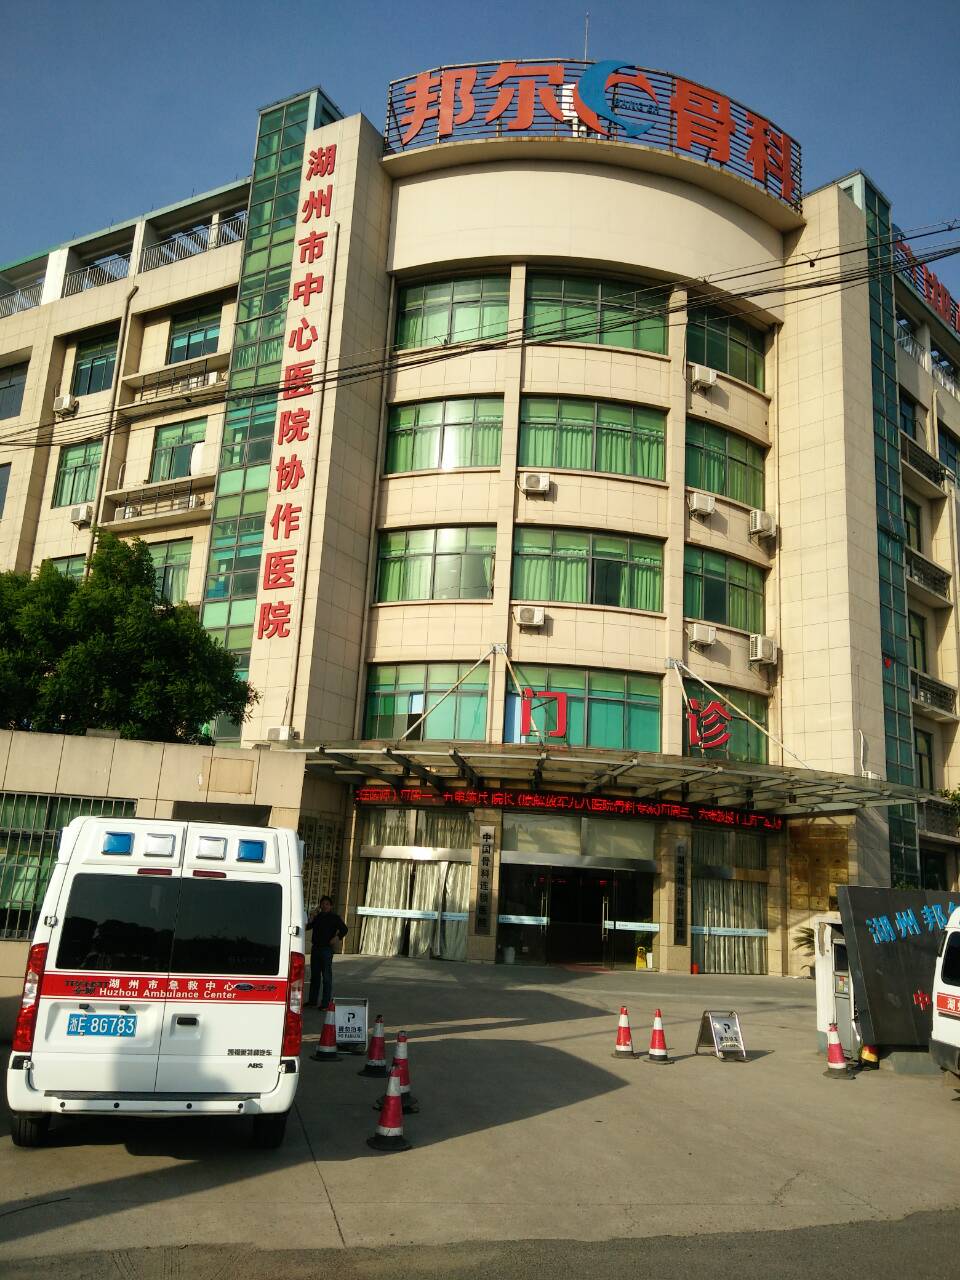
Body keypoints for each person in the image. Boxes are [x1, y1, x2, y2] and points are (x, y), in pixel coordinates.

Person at [307, 896, 348, 1009]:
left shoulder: (334, 917)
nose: (324, 906)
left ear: (331, 906)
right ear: (320, 905)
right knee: (315, 977)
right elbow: (307, 927)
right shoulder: (317, 917)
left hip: (327, 950)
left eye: (327, 904)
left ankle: (325, 1003)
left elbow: (344, 929)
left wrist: (337, 938)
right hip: (315, 949)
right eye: (323, 904)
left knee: (326, 977)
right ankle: (312, 1001)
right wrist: (311, 917)